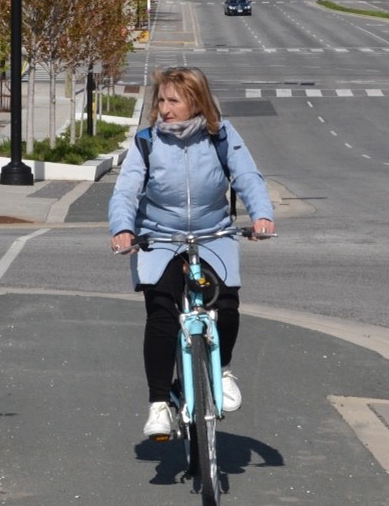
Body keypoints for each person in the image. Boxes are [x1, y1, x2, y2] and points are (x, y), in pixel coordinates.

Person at [108, 66, 276, 440]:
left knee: (227, 306)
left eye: (174, 100)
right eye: (161, 100)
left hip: (213, 231)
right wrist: (122, 228)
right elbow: (126, 191)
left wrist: (261, 215)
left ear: (196, 102)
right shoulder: (146, 142)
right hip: (160, 236)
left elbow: (247, 176)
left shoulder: (221, 136)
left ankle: (224, 370)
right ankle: (158, 405)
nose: (165, 108)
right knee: (163, 314)